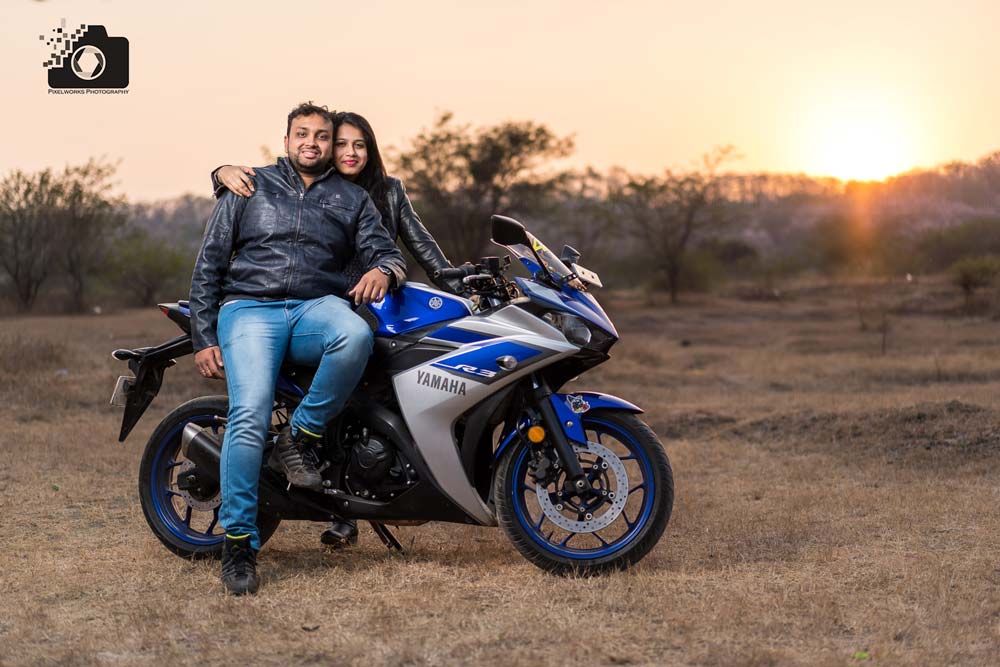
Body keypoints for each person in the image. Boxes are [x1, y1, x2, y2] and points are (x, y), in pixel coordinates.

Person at [211, 111, 460, 549]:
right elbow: (213, 259)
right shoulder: (268, 185)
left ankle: (347, 464)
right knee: (260, 411)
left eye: (356, 144)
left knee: (378, 363)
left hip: (345, 307)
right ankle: (275, 525)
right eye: (337, 143)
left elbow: (416, 248)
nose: (347, 151)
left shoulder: (376, 195)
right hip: (291, 306)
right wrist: (220, 172)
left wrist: (449, 279)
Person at [190, 102, 406, 596]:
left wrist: (384, 270)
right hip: (249, 309)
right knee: (249, 414)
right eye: (302, 134)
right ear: (286, 140)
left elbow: (388, 252)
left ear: (331, 145)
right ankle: (240, 544)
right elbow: (209, 266)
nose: (312, 143)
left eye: (322, 137)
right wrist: (204, 337)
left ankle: (301, 435)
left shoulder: (351, 199)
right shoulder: (248, 185)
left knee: (355, 336)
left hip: (315, 307)